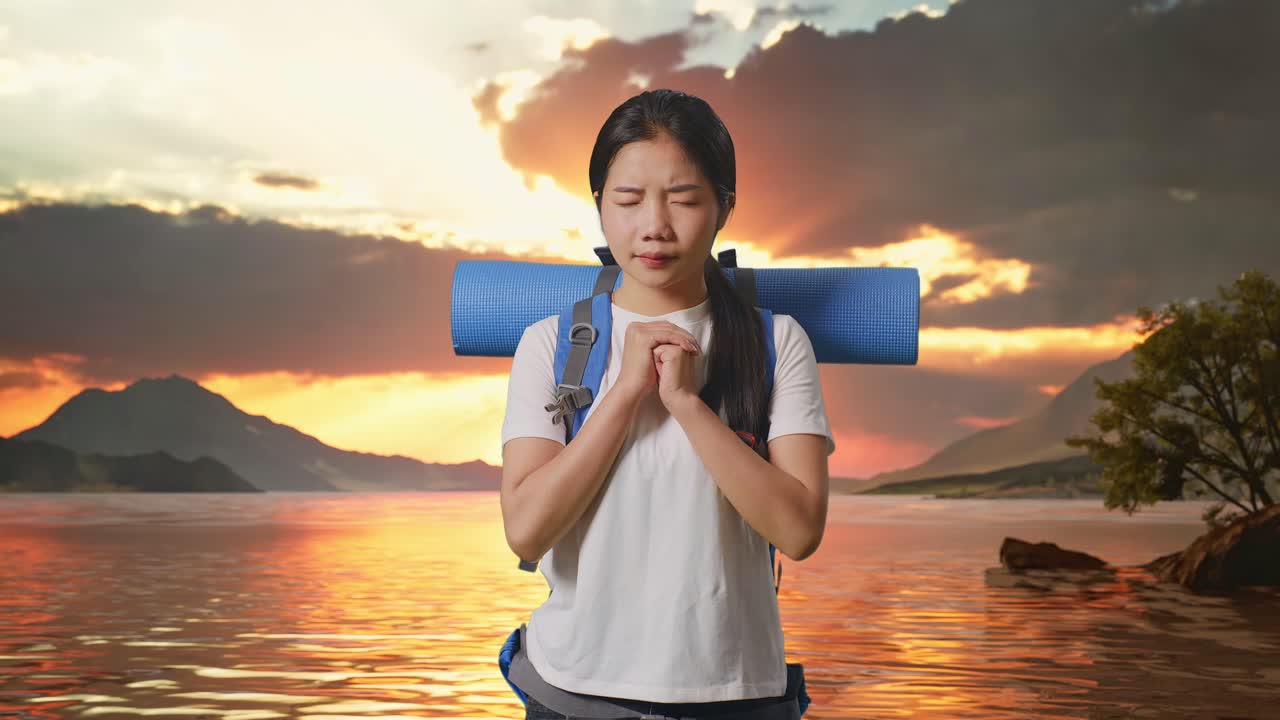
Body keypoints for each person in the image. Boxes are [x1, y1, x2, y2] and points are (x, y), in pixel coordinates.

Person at [499, 88, 836, 720]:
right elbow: (526, 529)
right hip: (572, 689)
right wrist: (626, 392)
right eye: (628, 200)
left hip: (736, 692)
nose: (654, 224)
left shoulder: (776, 342)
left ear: (725, 206)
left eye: (683, 199)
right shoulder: (551, 345)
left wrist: (685, 403)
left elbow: (798, 531)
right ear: (600, 204)